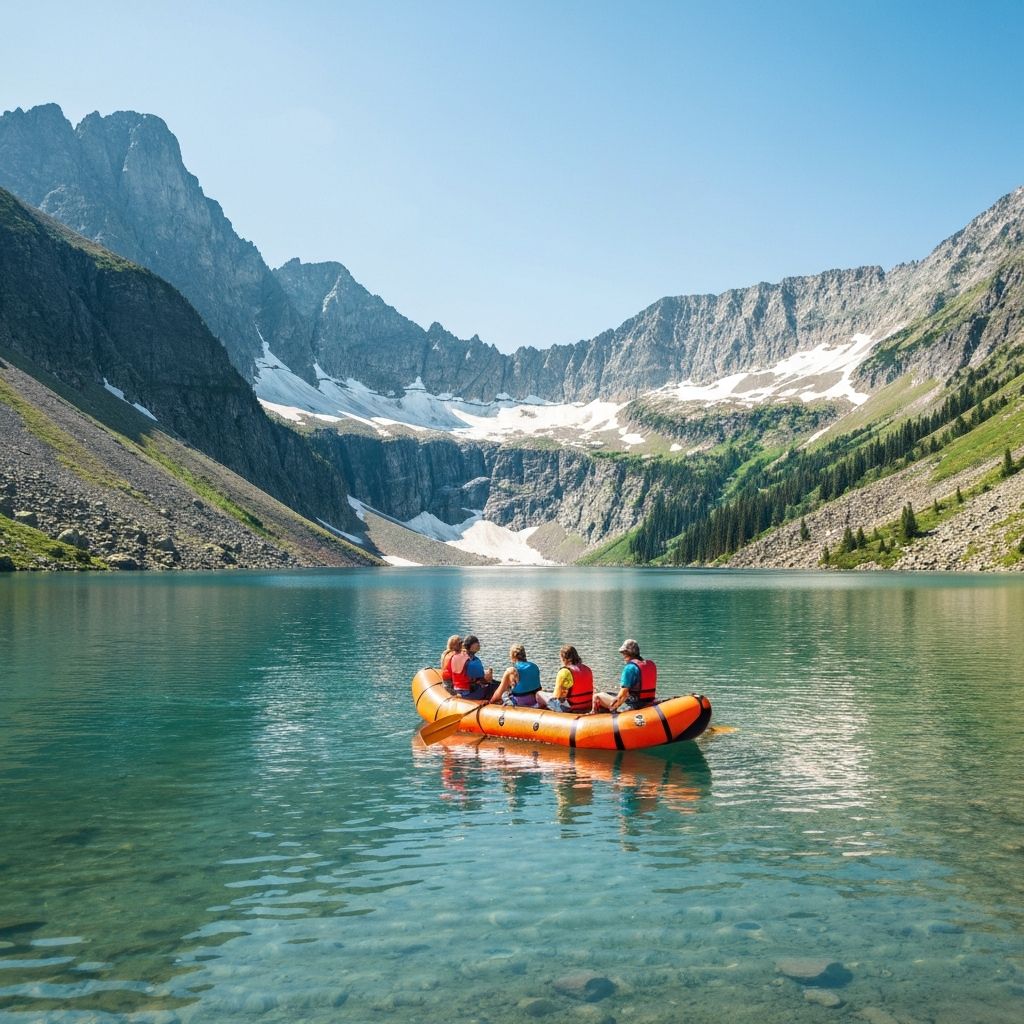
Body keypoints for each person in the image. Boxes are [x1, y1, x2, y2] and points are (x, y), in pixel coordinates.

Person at [592, 639, 657, 713]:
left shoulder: (629, 668)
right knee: (610, 694)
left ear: (627, 653)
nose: (623, 656)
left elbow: (622, 696)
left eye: (623, 653)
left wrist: (613, 707)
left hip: (635, 705)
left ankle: (599, 717)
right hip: (650, 701)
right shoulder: (651, 664)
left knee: (597, 696)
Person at [539, 644, 594, 713]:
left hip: (572, 707)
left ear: (563, 658)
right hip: (588, 705)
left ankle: (541, 715)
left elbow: (556, 696)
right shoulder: (587, 669)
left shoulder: (564, 671)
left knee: (539, 694)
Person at [449, 634, 495, 701]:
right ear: (472, 646)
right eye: (477, 642)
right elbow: (483, 680)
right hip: (470, 693)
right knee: (494, 686)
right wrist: (489, 675)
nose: (479, 645)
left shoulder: (455, 656)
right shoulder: (473, 661)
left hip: (457, 689)